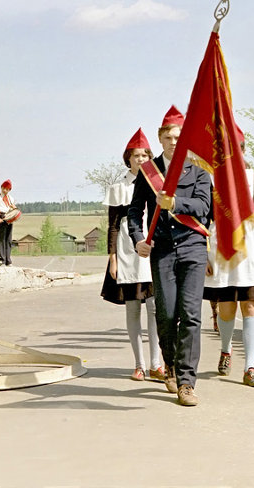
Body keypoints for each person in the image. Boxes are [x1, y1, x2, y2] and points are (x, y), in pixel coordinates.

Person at [128, 106, 212, 408]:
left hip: (193, 246)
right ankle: (171, 365)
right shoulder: (149, 174)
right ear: (160, 140)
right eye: (169, 137)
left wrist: (176, 202)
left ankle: (187, 382)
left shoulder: (199, 171)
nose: (174, 142)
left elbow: (204, 207)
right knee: (166, 314)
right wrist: (138, 239)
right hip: (161, 249)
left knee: (191, 315)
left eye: (179, 137)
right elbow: (134, 212)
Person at [204, 133, 254, 388]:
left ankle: (250, 367)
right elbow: (203, 218)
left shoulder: (250, 177)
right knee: (226, 308)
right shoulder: (209, 177)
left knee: (251, 306)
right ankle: (225, 350)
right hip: (221, 246)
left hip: (250, 247)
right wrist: (203, 252)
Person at [100, 128, 163, 381]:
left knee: (155, 308)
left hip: (153, 244)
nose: (141, 160)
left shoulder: (158, 182)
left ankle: (157, 362)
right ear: (128, 158)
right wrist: (112, 256)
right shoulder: (118, 188)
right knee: (133, 308)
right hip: (128, 249)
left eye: (145, 155)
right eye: (136, 156)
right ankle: (139, 364)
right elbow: (113, 224)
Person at [0, 179, 20, 266]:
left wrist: (14, 208)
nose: (5, 190)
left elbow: (13, 210)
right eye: (4, 188)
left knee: (8, 239)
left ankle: (8, 259)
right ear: (1, 188)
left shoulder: (11, 198)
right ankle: (1, 259)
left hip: (9, 217)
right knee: (2, 239)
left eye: (7, 189)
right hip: (1, 216)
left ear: (9, 190)